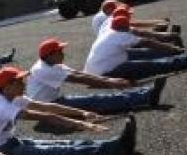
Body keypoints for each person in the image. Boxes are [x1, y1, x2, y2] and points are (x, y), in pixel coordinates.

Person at [0, 67, 137, 155]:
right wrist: (80, 124)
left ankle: (114, 144)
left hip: (9, 143)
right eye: (20, 82)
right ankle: (118, 148)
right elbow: (46, 116)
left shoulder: (11, 97)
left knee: (64, 142)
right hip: (1, 154)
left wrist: (82, 113)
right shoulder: (1, 106)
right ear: (8, 87)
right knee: (59, 151)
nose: (24, 84)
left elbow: (46, 106)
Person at [28, 38, 165, 113]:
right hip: (47, 108)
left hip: (51, 102)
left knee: (94, 99)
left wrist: (109, 80)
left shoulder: (51, 64)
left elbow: (79, 73)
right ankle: (146, 97)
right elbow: (79, 79)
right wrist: (111, 83)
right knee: (96, 101)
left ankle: (145, 94)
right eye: (60, 51)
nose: (63, 54)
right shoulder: (44, 69)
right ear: (50, 55)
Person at [83, 15, 187, 80]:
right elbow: (148, 42)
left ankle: (178, 54)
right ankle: (185, 60)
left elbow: (143, 36)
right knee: (149, 65)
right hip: (104, 73)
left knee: (142, 53)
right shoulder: (121, 35)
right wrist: (174, 48)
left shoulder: (110, 28)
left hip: (103, 65)